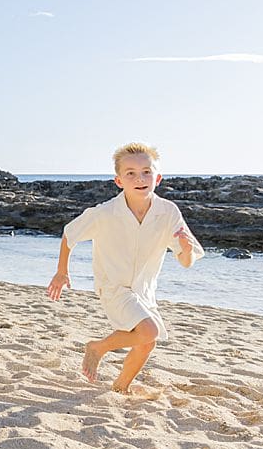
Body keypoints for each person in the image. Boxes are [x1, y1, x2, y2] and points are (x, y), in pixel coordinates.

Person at [46, 143, 203, 393]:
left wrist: (185, 248)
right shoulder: (106, 213)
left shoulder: (168, 212)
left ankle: (120, 387)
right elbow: (69, 234)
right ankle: (98, 347)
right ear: (119, 181)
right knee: (148, 331)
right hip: (113, 285)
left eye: (146, 172)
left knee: (146, 343)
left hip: (145, 290)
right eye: (130, 173)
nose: (139, 178)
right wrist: (62, 271)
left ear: (158, 178)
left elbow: (186, 261)